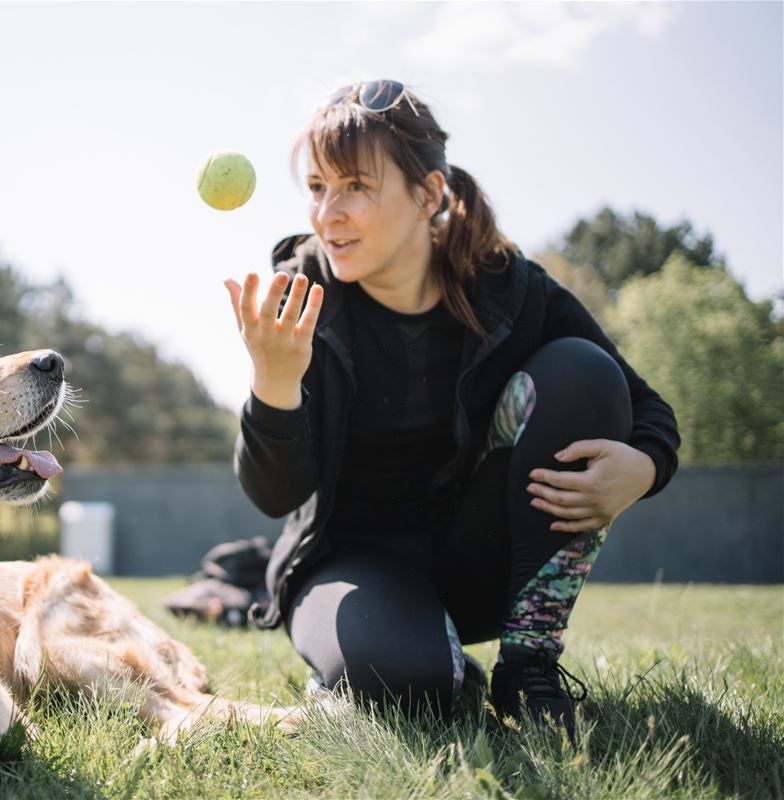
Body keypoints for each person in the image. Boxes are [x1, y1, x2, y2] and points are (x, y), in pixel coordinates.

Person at [223, 80, 680, 737]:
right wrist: (273, 383)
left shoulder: (508, 289)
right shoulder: (304, 295)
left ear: (429, 195)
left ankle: (530, 669)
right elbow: (276, 494)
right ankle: (415, 659)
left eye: (355, 185)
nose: (328, 213)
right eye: (318, 187)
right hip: (348, 565)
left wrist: (645, 466)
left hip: (476, 559)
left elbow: (643, 406)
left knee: (581, 368)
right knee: (412, 687)